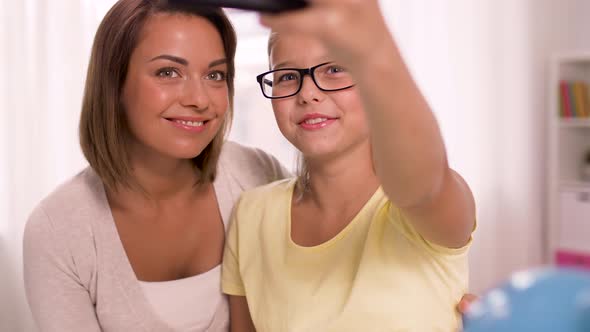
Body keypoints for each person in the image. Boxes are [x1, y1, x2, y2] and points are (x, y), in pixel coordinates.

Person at [22, 1, 289, 331]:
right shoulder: (58, 231)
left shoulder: (258, 174)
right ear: (114, 83)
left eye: (215, 75)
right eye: (168, 72)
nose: (199, 99)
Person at [221, 0, 477, 331]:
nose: (308, 93)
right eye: (287, 76)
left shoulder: (420, 207)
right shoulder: (251, 213)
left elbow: (424, 185)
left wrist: (373, 44)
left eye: (335, 69)